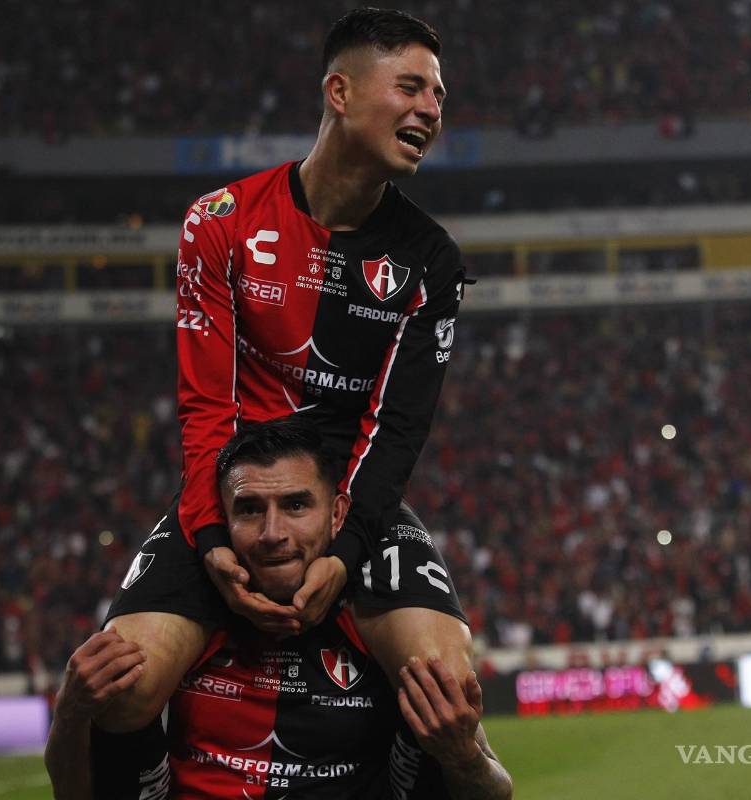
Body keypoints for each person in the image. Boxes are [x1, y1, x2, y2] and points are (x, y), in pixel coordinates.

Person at [99, 5, 472, 753]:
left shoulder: (431, 260)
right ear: (340, 92)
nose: (431, 111)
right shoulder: (220, 222)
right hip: (233, 499)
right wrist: (210, 539)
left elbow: (396, 431)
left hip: (350, 505)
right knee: (121, 685)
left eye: (438, 97)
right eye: (410, 88)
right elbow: (207, 407)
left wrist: (344, 552)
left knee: (449, 687)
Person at [46, 417, 512, 799]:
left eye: (295, 505)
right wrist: (69, 713)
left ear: (337, 515)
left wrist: (462, 757)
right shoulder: (184, 624)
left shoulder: (379, 624)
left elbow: (496, 790)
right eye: (250, 509)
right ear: (221, 522)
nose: (273, 533)